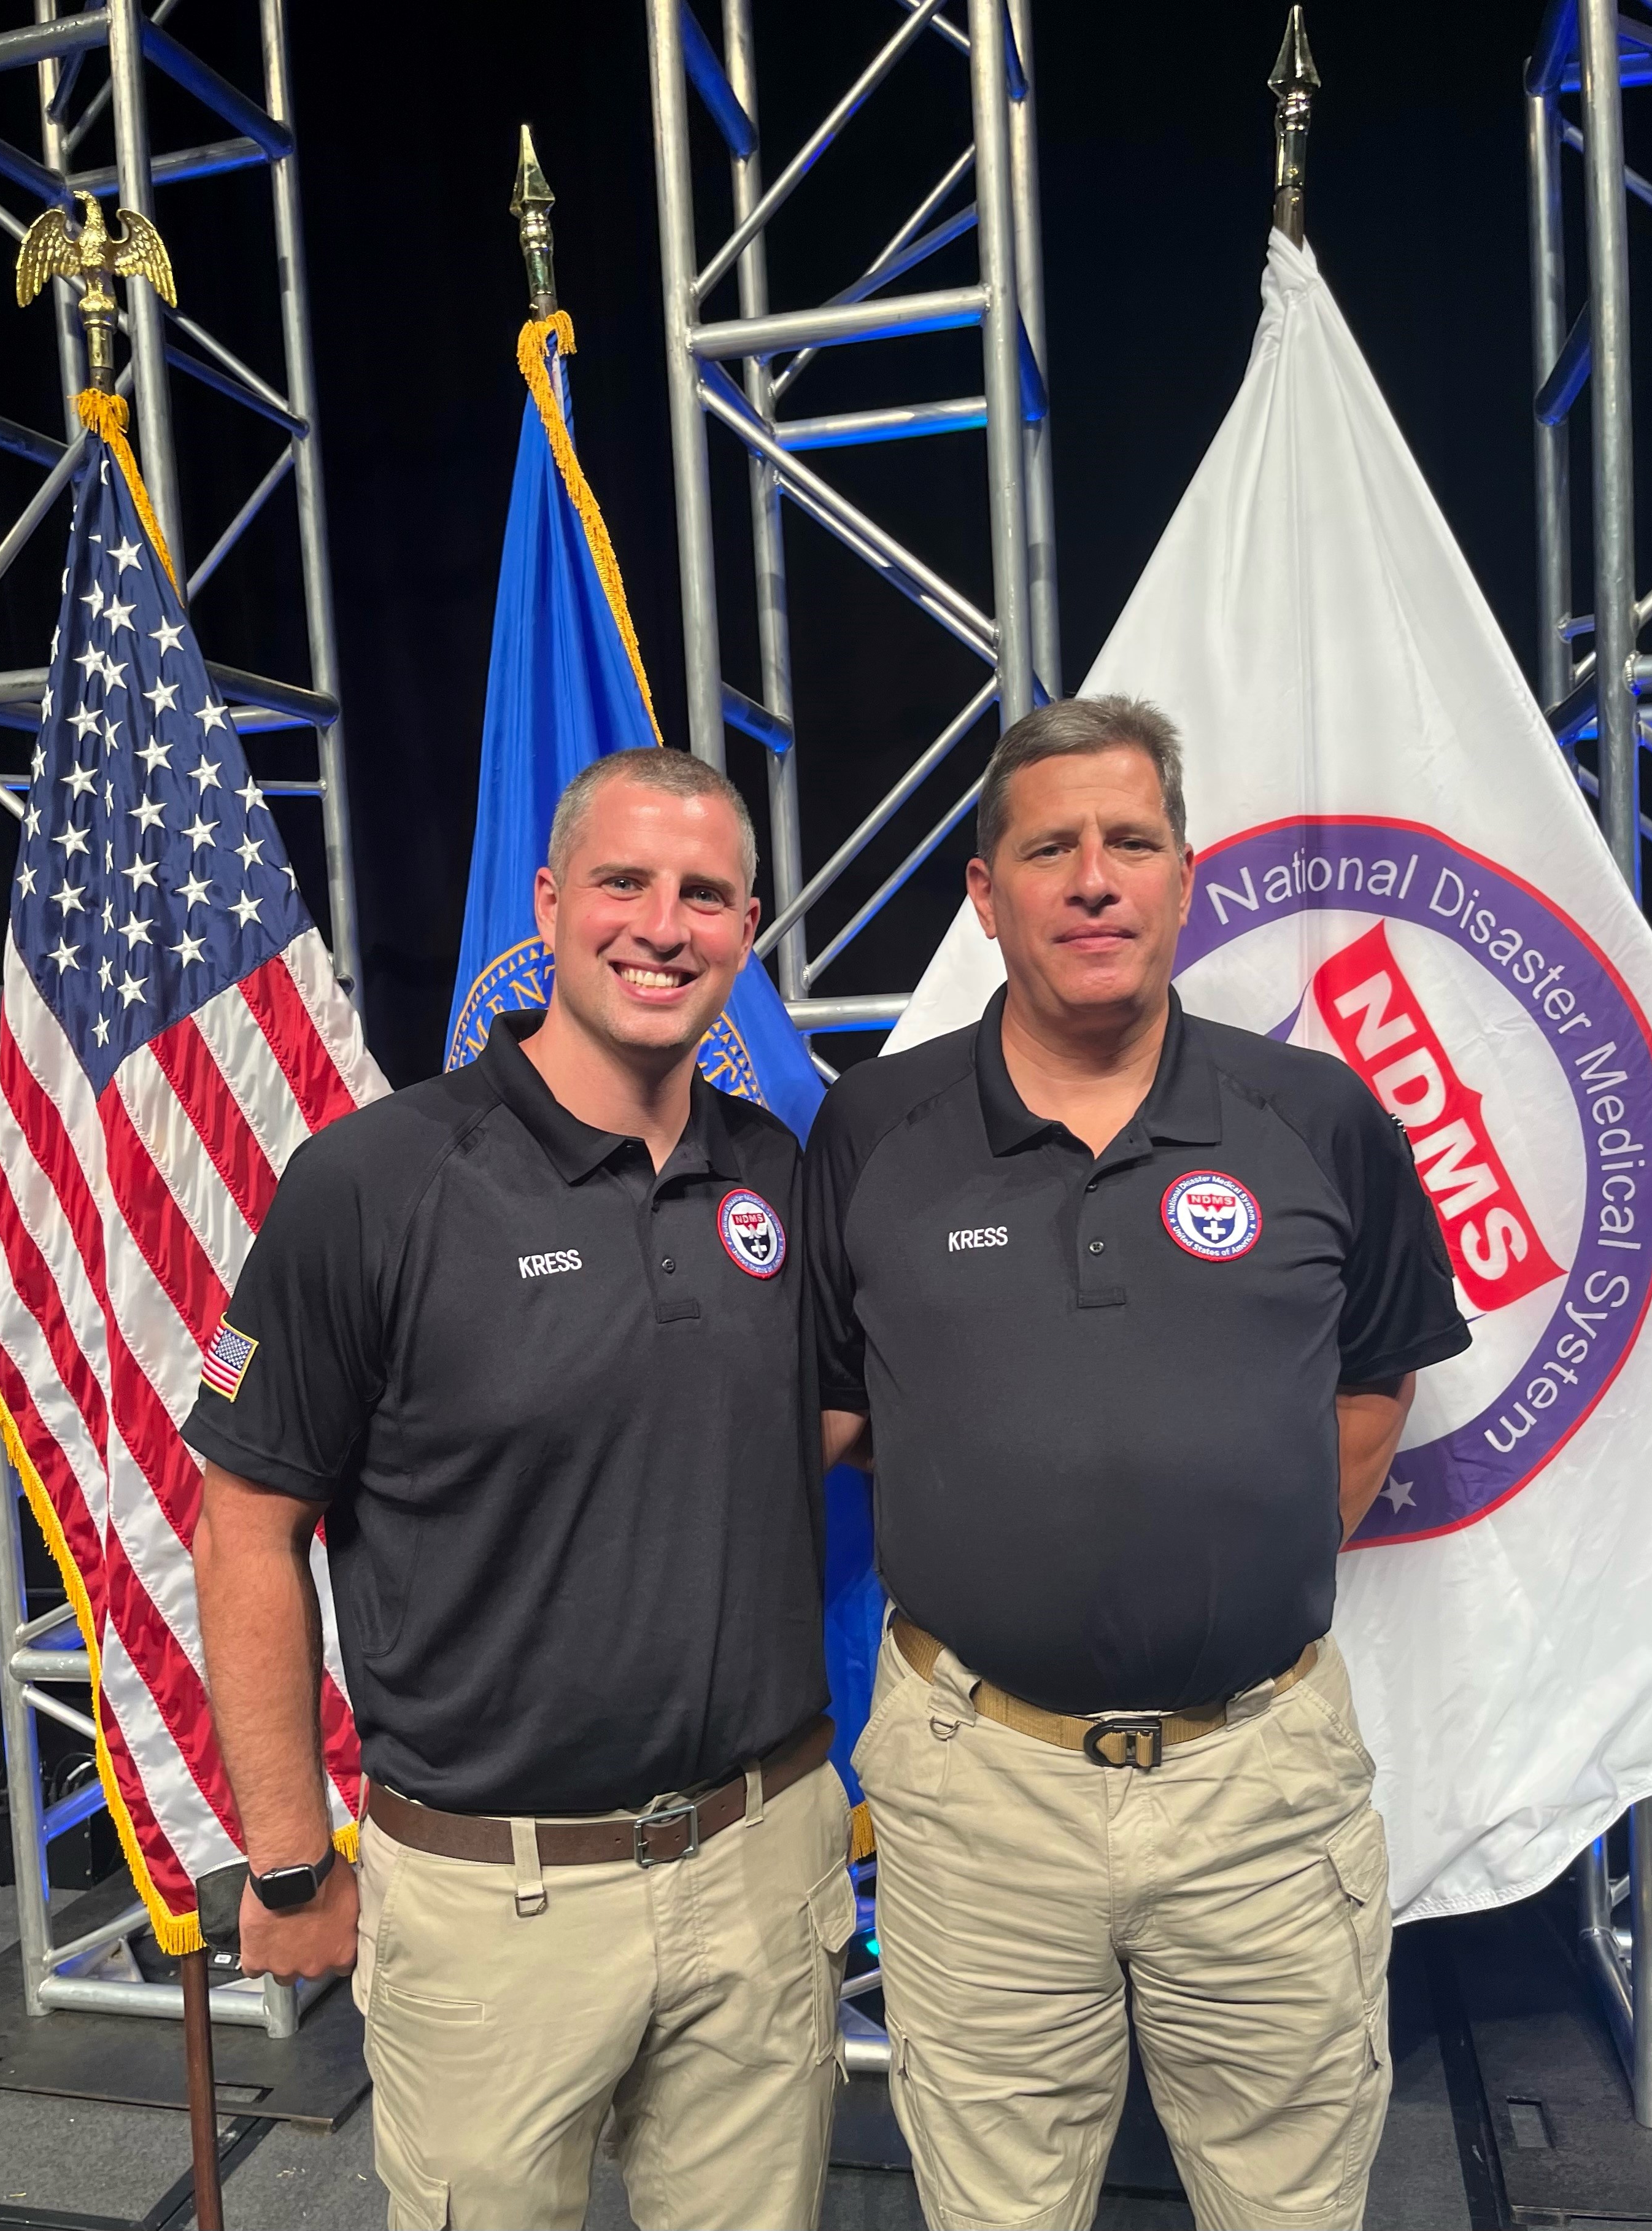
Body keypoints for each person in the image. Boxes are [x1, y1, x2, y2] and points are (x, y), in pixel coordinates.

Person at [806, 695, 1470, 2231]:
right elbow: (835, 1410)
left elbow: (1371, 1382)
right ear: (986, 897)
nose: (1092, 878)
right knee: (995, 2206)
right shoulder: (874, 1126)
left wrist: (1230, 1571)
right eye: (1048, 849)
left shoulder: (1315, 1115)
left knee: (1290, 2203)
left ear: (1185, 874)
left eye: (1129, 842)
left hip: (1259, 1785)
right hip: (979, 1789)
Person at [188, 748, 854, 2231]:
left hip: (762, 1862)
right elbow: (244, 1525)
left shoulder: (781, 1175)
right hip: (498, 1900)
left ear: (747, 929)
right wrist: (292, 1861)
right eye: (623, 882)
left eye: (704, 895)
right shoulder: (373, 1181)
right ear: (549, 906)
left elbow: (808, 1417)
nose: (661, 926)